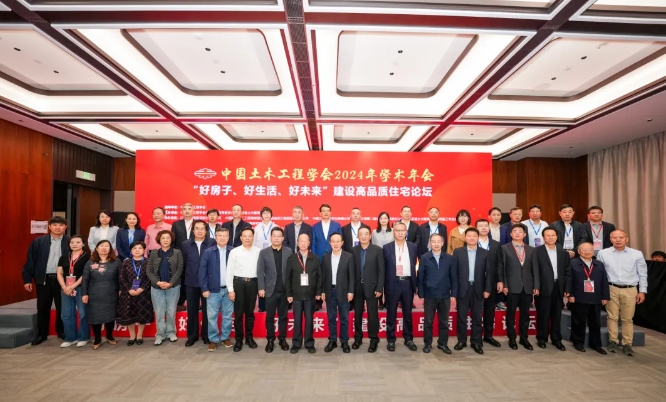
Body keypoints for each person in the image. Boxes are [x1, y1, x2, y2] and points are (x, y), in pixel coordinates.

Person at [597, 230, 648, 356]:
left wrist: (642, 291)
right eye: (615, 238)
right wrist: (601, 292)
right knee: (612, 317)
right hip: (611, 288)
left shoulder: (636, 254)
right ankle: (613, 341)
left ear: (627, 239)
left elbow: (642, 273)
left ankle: (627, 344)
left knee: (627, 319)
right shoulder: (603, 253)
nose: (618, 240)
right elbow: (600, 274)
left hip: (630, 289)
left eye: (621, 237)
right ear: (611, 239)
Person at [22, 216, 70, 345]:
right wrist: (27, 279)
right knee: (42, 308)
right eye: (54, 225)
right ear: (49, 227)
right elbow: (31, 261)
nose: (57, 228)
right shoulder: (38, 242)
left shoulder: (70, 241)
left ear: (65, 227)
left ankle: (62, 332)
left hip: (63, 280)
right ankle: (41, 334)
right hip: (44, 279)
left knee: (62, 307)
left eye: (61, 225)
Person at [499, 224, 539, 350]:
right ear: (511, 234)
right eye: (515, 231)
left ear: (524, 234)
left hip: (527, 286)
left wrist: (536, 285)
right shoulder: (504, 248)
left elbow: (535, 269)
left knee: (525, 314)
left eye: (520, 231)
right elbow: (502, 268)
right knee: (510, 314)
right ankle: (512, 338)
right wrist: (504, 284)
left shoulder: (531, 249)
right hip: (511, 286)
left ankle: (524, 338)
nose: (517, 233)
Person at [453, 228, 491, 354]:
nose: (472, 238)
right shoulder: (458, 252)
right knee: (461, 317)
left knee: (477, 317)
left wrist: (487, 289)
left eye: (474, 236)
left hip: (478, 288)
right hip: (463, 289)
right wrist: (454, 290)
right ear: (465, 238)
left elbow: (489, 273)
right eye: (469, 236)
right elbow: (454, 273)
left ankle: (476, 342)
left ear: (478, 238)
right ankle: (462, 341)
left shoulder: (485, 253)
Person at [417, 233, 456, 354]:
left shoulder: (449, 258)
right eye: (433, 241)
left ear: (443, 243)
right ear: (430, 243)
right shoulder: (424, 258)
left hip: (445, 295)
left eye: (438, 241)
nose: (436, 244)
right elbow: (421, 277)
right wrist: (421, 294)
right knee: (428, 322)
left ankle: (442, 344)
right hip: (430, 295)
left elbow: (454, 277)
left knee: (444, 322)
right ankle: (428, 344)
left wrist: (454, 293)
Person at [568, 242, 609, 354]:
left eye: (590, 249)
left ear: (593, 251)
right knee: (579, 321)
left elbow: (604, 281)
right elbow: (569, 280)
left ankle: (596, 344)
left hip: (596, 298)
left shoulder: (599, 264)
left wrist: (605, 296)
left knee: (596, 322)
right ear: (579, 251)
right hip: (579, 297)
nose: (587, 252)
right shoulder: (573, 263)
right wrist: (570, 294)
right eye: (584, 250)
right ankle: (578, 342)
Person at [257, 227, 293, 353]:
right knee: (270, 317)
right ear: (271, 237)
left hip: (284, 291)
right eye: (274, 236)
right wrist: (261, 288)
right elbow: (260, 271)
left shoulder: (288, 251)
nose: (276, 238)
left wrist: (291, 290)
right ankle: (270, 340)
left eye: (279, 236)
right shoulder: (264, 252)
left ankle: (282, 338)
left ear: (283, 238)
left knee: (283, 316)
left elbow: (291, 272)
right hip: (269, 291)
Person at [383, 222, 418, 352]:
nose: (400, 233)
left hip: (408, 283)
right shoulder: (387, 247)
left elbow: (416, 265)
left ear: (406, 232)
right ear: (393, 232)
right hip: (393, 283)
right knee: (391, 313)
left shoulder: (413, 247)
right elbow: (383, 268)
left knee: (407, 314)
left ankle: (408, 339)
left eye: (402, 230)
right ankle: (391, 340)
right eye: (397, 230)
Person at [534, 227, 570, 351]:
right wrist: (536, 286)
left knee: (557, 315)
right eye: (547, 235)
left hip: (558, 287)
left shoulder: (563, 253)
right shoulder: (537, 251)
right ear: (543, 237)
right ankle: (542, 338)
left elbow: (567, 272)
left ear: (557, 237)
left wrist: (567, 288)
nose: (550, 237)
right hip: (543, 287)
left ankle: (556, 339)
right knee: (543, 314)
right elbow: (535, 271)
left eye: (553, 235)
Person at [181, 220, 216, 346]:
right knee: (192, 310)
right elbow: (184, 263)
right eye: (197, 228)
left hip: (208, 283)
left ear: (206, 231)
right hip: (191, 281)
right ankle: (192, 336)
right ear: (193, 230)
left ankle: (207, 335)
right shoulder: (186, 244)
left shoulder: (212, 242)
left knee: (208, 311)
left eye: (202, 228)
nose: (200, 231)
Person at [286, 234, 323, 354]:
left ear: (309, 243)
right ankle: (296, 343)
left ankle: (309, 343)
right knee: (297, 320)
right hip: (296, 295)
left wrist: (318, 292)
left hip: (310, 295)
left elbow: (319, 276)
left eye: (305, 241)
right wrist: (289, 294)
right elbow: (288, 278)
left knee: (309, 320)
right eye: (300, 241)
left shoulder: (315, 258)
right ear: (297, 243)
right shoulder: (292, 259)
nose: (303, 243)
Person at [226, 227, 261, 352]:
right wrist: (230, 289)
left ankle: (249, 338)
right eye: (244, 236)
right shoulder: (234, 252)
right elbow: (229, 271)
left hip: (253, 284)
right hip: (238, 284)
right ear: (240, 238)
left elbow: (261, 271)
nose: (247, 238)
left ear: (253, 237)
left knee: (250, 313)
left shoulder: (259, 251)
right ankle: (239, 339)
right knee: (239, 313)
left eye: (250, 236)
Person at [200, 228, 234, 351]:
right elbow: (202, 271)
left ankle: (225, 337)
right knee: (212, 316)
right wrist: (204, 288)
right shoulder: (208, 252)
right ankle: (213, 339)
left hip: (229, 290)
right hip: (213, 290)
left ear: (228, 237)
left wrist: (233, 289)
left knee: (227, 315)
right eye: (220, 235)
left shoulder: (233, 251)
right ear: (216, 237)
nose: (222, 238)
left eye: (225, 236)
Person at [82, 240, 121, 350]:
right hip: (94, 294)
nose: (104, 248)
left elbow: (121, 278)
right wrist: (84, 294)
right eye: (101, 246)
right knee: (95, 317)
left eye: (107, 246)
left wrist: (121, 290)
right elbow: (85, 279)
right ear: (96, 248)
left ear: (110, 248)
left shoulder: (116, 261)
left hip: (111, 293)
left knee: (110, 316)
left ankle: (109, 336)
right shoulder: (90, 262)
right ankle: (97, 339)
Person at [146, 230, 183, 346]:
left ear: (171, 239)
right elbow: (149, 270)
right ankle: (160, 335)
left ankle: (171, 333)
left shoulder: (177, 252)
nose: (165, 240)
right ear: (159, 240)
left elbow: (180, 269)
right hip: (157, 288)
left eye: (168, 238)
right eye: (163, 238)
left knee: (171, 311)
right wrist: (158, 282)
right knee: (159, 312)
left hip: (173, 287)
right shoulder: (153, 253)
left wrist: (171, 283)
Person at [351, 227, 385, 353]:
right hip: (357, 288)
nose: (364, 236)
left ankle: (373, 339)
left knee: (373, 315)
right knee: (357, 314)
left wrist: (379, 287)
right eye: (361, 234)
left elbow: (381, 271)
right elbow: (351, 271)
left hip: (372, 287)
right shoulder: (353, 250)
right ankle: (358, 338)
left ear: (370, 236)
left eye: (366, 234)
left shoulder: (377, 250)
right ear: (358, 236)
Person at [322, 233, 355, 353]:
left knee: (344, 318)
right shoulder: (325, 257)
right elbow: (323, 276)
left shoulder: (349, 257)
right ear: (330, 243)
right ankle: (332, 341)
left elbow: (352, 276)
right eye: (333, 241)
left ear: (342, 243)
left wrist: (351, 291)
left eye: (338, 241)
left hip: (344, 292)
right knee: (331, 318)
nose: (335, 244)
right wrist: (322, 291)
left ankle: (344, 341)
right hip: (329, 291)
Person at [116, 241, 153, 346]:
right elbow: (122, 277)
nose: (137, 250)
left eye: (140, 248)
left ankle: (139, 335)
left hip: (143, 293)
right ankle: (132, 336)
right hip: (128, 293)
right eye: (134, 248)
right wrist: (129, 289)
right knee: (129, 315)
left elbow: (149, 277)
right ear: (131, 251)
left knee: (142, 314)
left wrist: (142, 288)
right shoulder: (126, 262)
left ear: (144, 250)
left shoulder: (148, 262)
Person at [56, 235, 89, 348]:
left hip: (80, 288)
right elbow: (59, 273)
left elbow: (85, 274)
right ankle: (70, 338)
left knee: (83, 313)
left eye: (78, 242)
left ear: (83, 244)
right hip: (65, 288)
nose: (74, 244)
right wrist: (64, 286)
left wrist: (72, 286)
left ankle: (83, 337)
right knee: (66, 314)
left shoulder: (87, 256)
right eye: (72, 242)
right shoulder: (64, 256)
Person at [475, 219, 503, 347]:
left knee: (490, 309)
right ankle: (476, 337)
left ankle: (488, 335)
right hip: (476, 281)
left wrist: (500, 280)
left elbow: (499, 264)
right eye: (480, 226)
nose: (483, 228)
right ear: (476, 228)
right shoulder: (472, 242)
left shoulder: (496, 244)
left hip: (491, 281)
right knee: (476, 310)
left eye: (485, 226)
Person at [312, 204, 341, 311]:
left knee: (333, 277)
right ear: (320, 213)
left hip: (333, 255)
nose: (326, 213)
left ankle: (335, 299)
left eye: (328, 211)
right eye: (323, 211)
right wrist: (314, 257)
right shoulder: (315, 226)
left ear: (330, 212)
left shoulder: (337, 225)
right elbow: (313, 243)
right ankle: (318, 301)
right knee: (319, 278)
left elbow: (340, 240)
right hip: (319, 256)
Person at [253, 207, 279, 312]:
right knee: (261, 278)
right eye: (264, 213)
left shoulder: (276, 227)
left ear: (271, 215)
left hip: (273, 255)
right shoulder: (257, 228)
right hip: (260, 255)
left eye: (268, 213)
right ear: (261, 215)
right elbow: (254, 243)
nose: (266, 215)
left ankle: (274, 304)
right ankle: (262, 305)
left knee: (272, 278)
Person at [172, 203, 194, 311]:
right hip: (180, 256)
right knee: (180, 279)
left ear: (193, 211)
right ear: (181, 211)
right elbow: (173, 241)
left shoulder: (198, 224)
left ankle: (193, 302)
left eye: (189, 209)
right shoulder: (176, 224)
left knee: (193, 279)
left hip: (194, 256)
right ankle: (180, 302)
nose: (187, 211)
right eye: (184, 209)